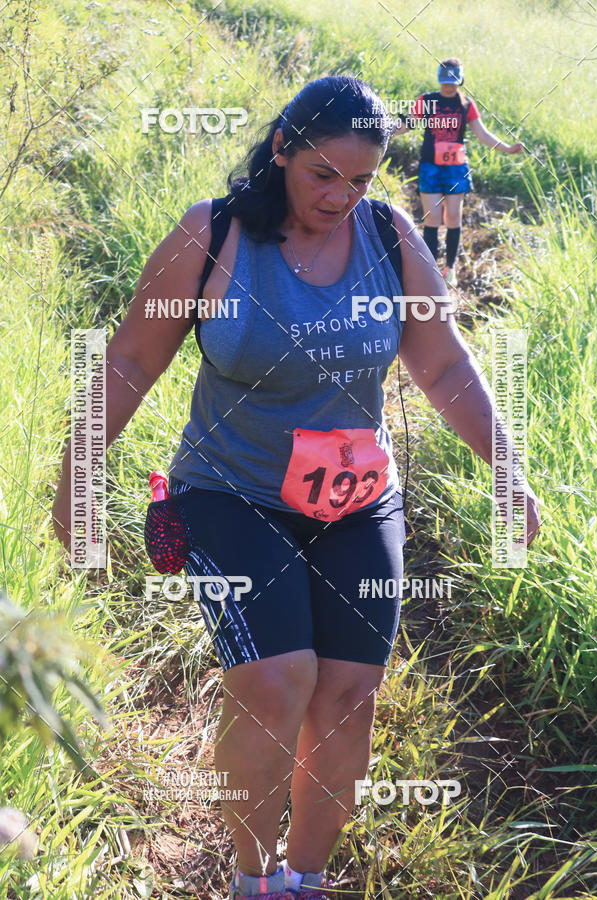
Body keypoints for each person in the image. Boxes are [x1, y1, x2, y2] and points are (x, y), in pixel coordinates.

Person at [52, 75, 541, 900]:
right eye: (323, 176)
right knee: (278, 680)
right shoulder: (212, 237)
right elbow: (131, 358)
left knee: (349, 693)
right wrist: (79, 472)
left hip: (355, 498)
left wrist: (509, 470)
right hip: (229, 490)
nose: (341, 197)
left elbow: (446, 363)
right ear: (282, 149)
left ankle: (304, 881)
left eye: (360, 180)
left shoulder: (387, 237)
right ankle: (250, 877)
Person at [393, 57, 524, 287]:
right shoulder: (426, 100)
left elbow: (482, 134)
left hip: (456, 169)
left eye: (453, 82)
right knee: (432, 218)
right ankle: (431, 269)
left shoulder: (466, 105)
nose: (448, 86)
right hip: (430, 167)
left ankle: (450, 267)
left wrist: (508, 149)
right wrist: (382, 133)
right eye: (445, 82)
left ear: (460, 81)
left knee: (452, 217)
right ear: (438, 79)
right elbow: (407, 124)